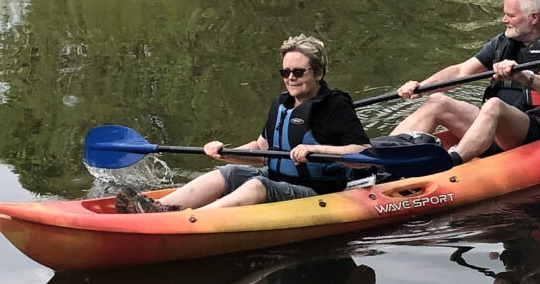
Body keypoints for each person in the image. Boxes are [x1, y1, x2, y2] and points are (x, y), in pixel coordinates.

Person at [127, 36, 372, 214]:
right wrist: (226, 154)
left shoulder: (334, 105)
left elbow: (364, 153)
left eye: (298, 72)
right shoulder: (281, 104)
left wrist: (319, 151)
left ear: (318, 74)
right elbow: (261, 150)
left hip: (318, 192)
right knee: (227, 174)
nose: (291, 78)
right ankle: (159, 208)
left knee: (257, 185)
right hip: (278, 178)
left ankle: (188, 220)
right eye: (285, 72)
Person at [394, 0, 540, 162]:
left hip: (539, 126)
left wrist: (523, 76)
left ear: (533, 18)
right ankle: (379, 159)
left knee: (494, 106)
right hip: (497, 125)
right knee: (437, 102)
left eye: (511, 15)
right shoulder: (502, 42)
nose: (504, 20)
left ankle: (452, 163)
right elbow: (461, 71)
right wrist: (423, 87)